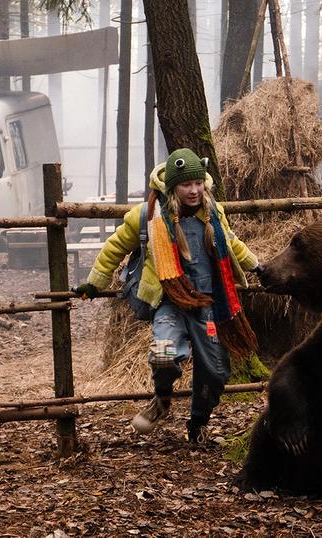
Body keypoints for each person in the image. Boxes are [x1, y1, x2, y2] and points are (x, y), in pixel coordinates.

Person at [75, 148, 262, 444]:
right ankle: (161, 399)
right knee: (163, 353)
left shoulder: (212, 212)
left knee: (215, 370)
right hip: (168, 304)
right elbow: (114, 247)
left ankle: (198, 423)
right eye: (186, 184)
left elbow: (232, 244)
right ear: (173, 186)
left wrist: (258, 267)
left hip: (207, 305)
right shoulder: (147, 215)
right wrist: (93, 283)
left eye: (198, 183)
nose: (194, 190)